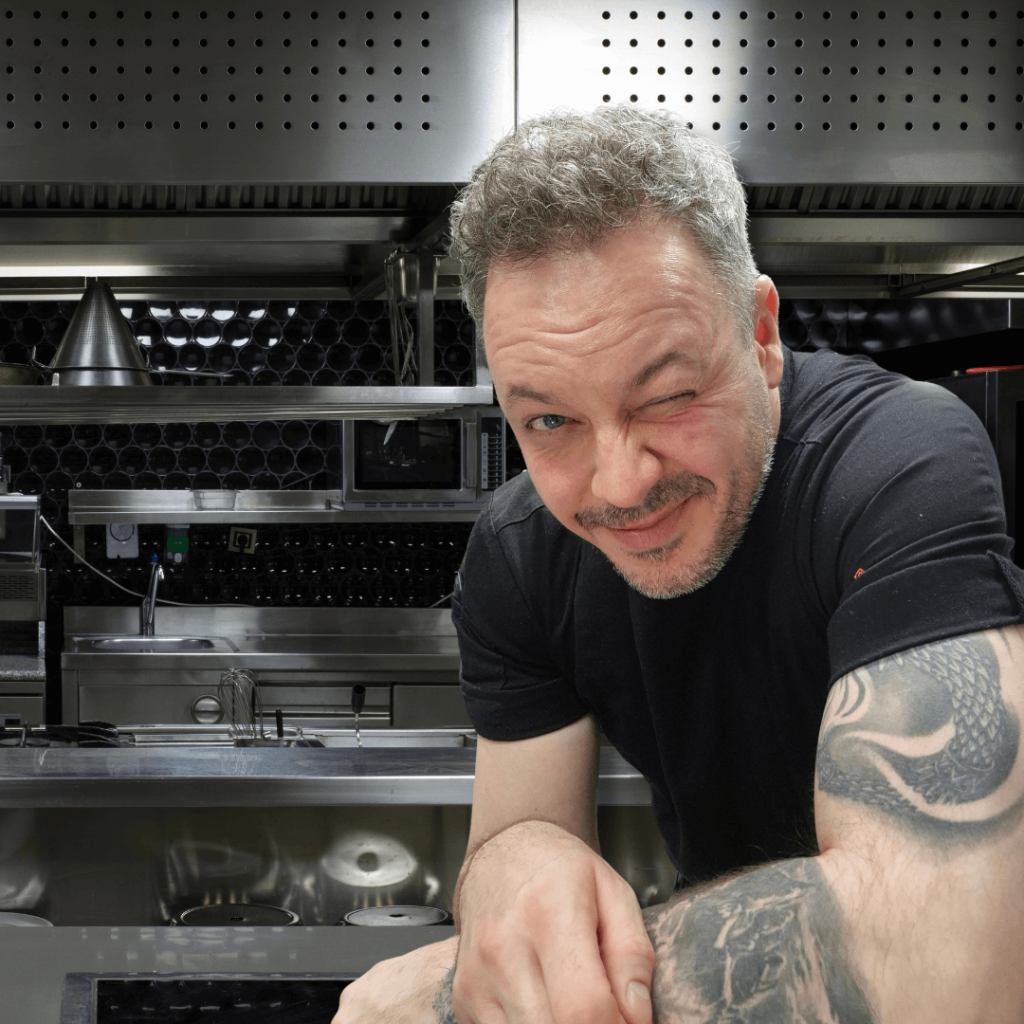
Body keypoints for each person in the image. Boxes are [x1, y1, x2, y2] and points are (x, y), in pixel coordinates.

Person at [334, 106, 1024, 1024]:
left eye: (665, 397)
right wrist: (513, 866)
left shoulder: (896, 457)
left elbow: (953, 956)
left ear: (763, 336)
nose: (618, 485)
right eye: (549, 421)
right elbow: (515, 844)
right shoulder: (519, 552)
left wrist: (429, 994)